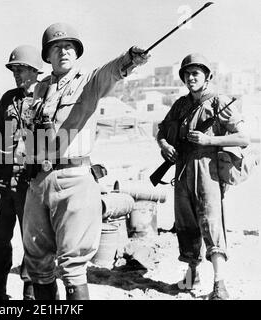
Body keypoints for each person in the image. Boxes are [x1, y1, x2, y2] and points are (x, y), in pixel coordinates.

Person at [22, 22, 149, 300]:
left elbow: (111, 72)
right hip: (39, 180)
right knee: (37, 261)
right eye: (56, 47)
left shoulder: (88, 82)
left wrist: (129, 59)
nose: (63, 51)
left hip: (74, 181)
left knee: (73, 265)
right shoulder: (39, 89)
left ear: (77, 53)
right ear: (47, 55)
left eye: (69, 46)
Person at [156, 53, 250, 300]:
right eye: (187, 74)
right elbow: (163, 132)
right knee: (185, 224)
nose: (190, 78)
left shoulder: (220, 102)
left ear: (208, 76)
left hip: (207, 170)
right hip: (183, 169)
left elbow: (243, 138)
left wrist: (211, 140)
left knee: (210, 221)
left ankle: (219, 284)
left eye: (195, 73)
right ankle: (191, 277)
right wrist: (164, 146)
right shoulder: (180, 105)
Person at [0, 45, 43, 300]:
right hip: (1, 177)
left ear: (34, 70)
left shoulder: (46, 96)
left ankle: (30, 295)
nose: (16, 75)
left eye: (21, 70)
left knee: (31, 238)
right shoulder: (7, 99)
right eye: (14, 71)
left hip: (29, 179)